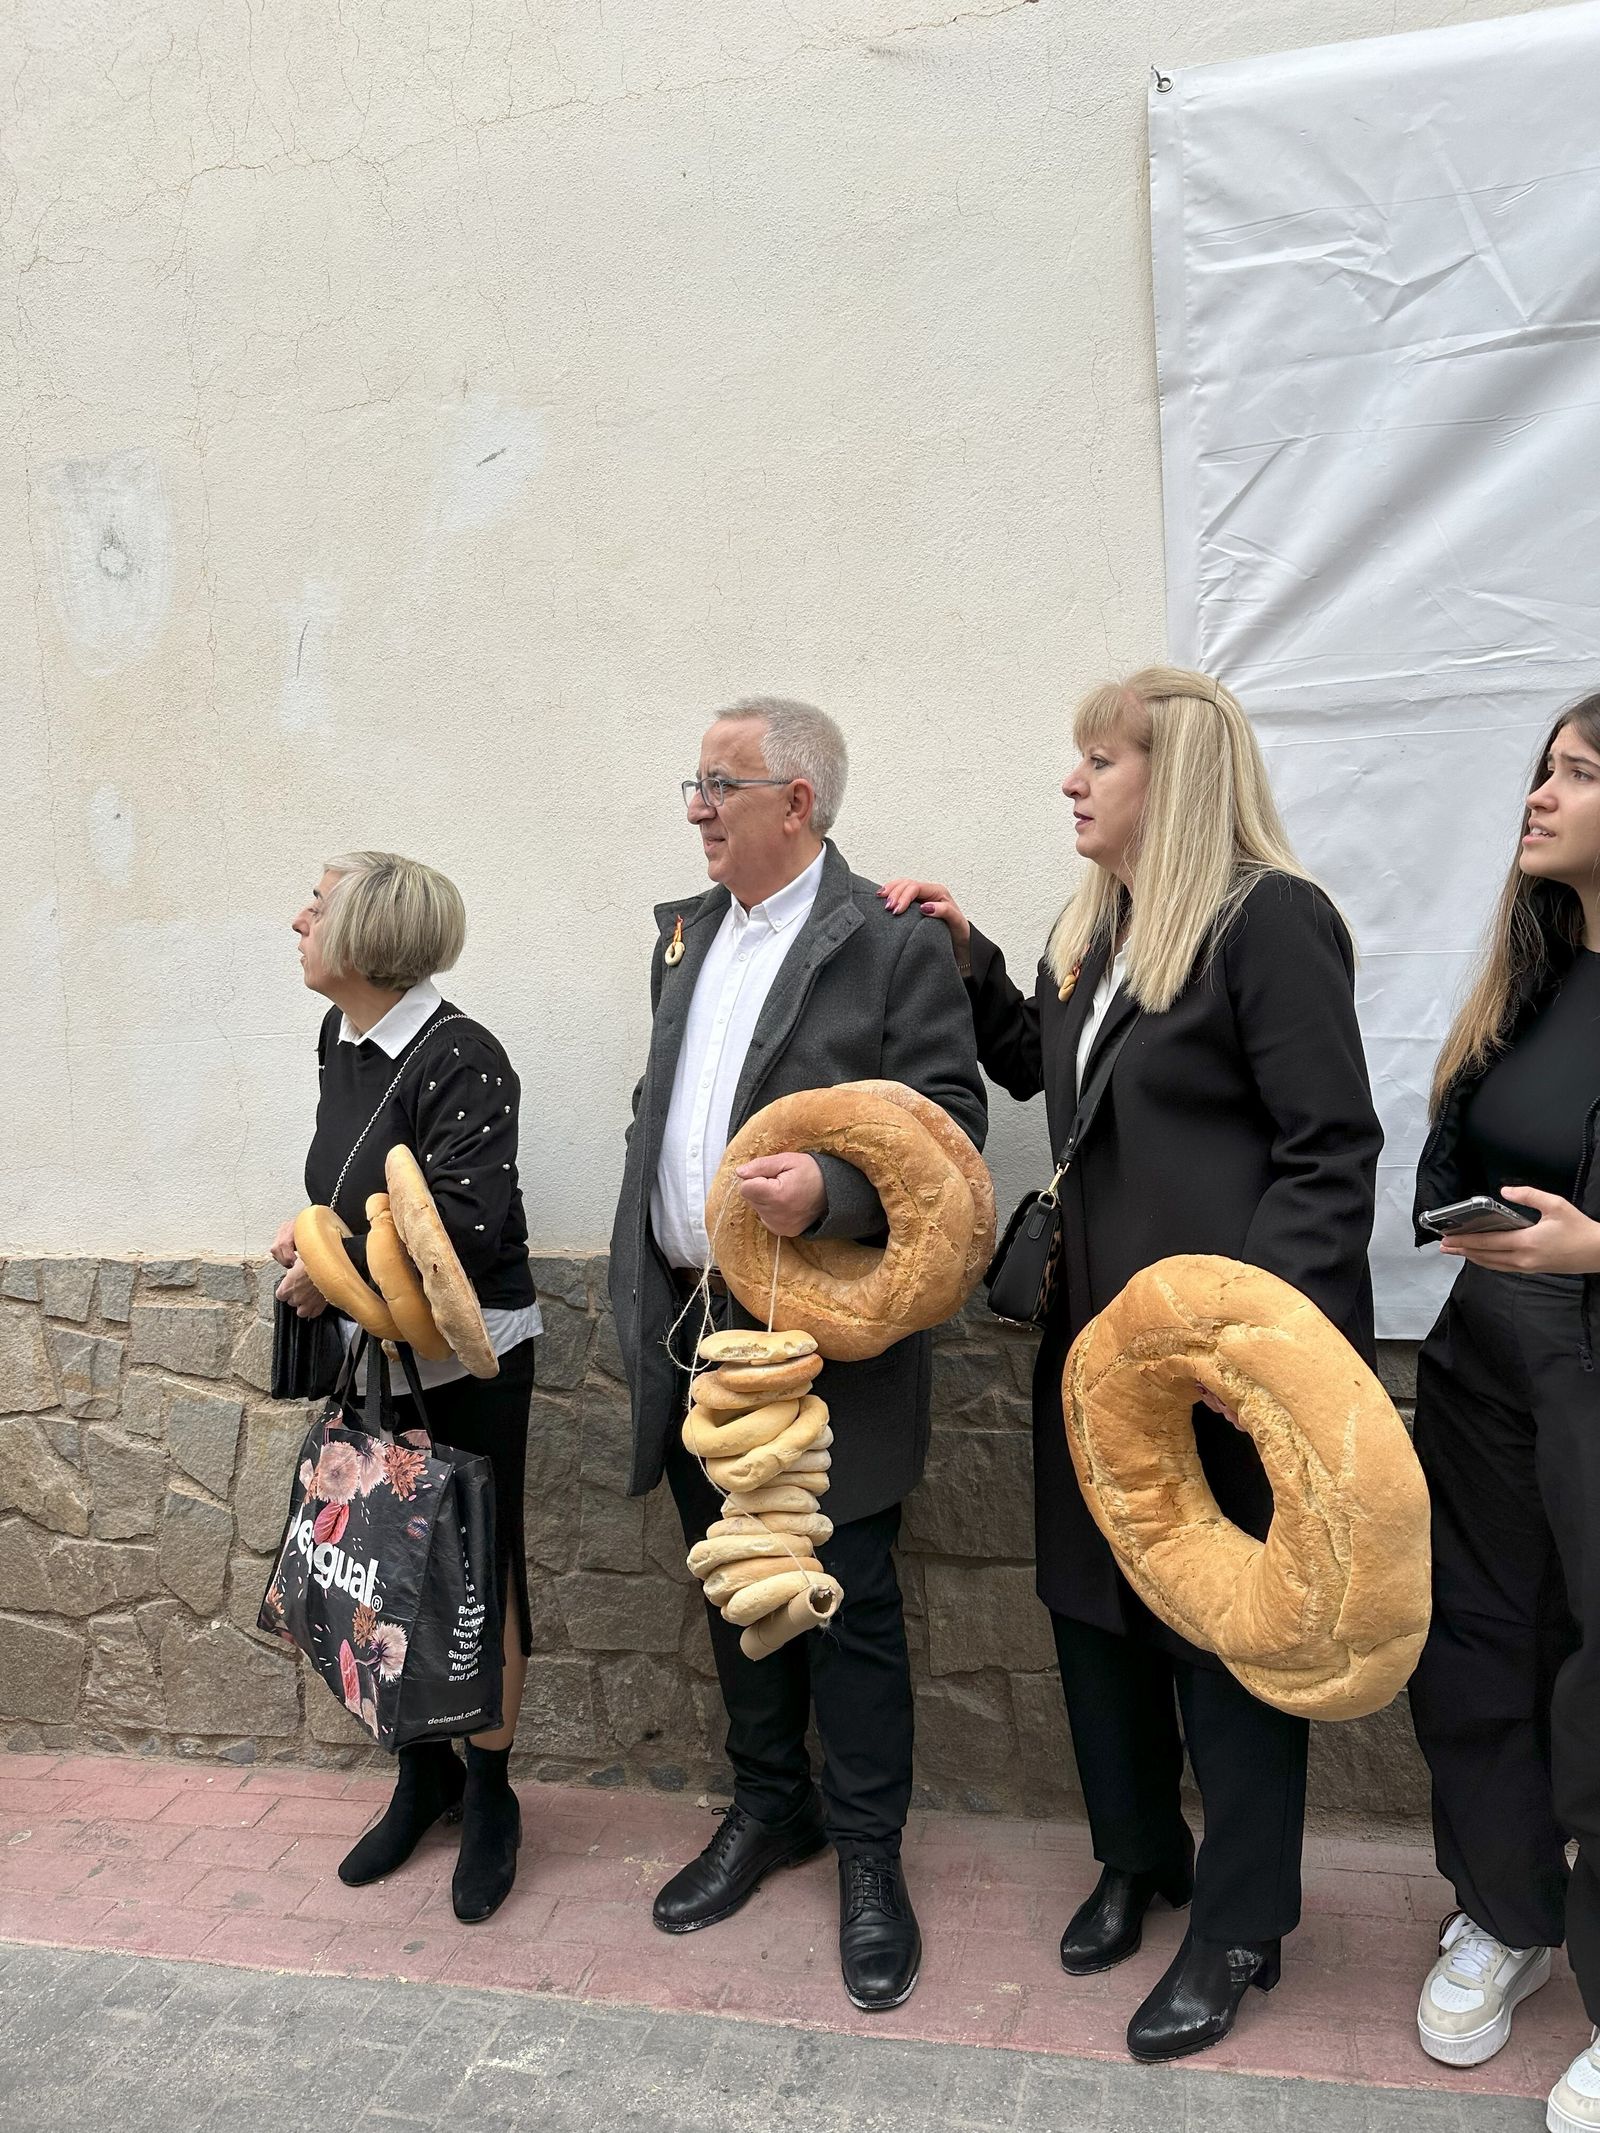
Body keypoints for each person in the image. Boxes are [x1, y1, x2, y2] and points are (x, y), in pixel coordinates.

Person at [883, 665, 1381, 2062]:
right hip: (1093, 1362)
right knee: (1095, 1620)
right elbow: (1048, 1073)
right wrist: (973, 955)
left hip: (1214, 1370)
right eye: (1077, 758)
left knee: (1223, 1647)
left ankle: (1238, 1922)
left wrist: (1260, 1346)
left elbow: (1329, 1150)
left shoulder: (1271, 921)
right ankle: (1139, 1857)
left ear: (1183, 777)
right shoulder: (1098, 935)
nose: (1073, 780)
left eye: (1102, 758)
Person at [610, 696, 987, 2012]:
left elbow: (945, 1132)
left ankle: (871, 1856)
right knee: (735, 1583)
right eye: (694, 783)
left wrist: (828, 1190)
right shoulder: (680, 933)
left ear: (798, 804)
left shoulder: (888, 946)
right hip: (694, 1320)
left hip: (824, 1334)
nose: (698, 806)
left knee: (853, 1606)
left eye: (722, 783)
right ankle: (771, 1810)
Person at [271, 849, 541, 1924]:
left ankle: (491, 1793)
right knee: (384, 1572)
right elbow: (345, 1196)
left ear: (372, 935)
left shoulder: (460, 1056)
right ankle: (419, 1775)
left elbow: (460, 1236)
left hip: (465, 1364)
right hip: (371, 1355)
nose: (298, 919)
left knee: (476, 1572)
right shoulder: (342, 1043)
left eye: (318, 906)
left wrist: (327, 1267)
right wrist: (313, 1261)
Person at [1408, 695, 1600, 2133]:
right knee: (1478, 1640)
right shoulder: (1527, 974)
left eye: (1579, 775)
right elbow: (1450, 1142)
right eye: (1545, 770)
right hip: (1486, 1371)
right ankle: (1506, 1911)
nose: (1541, 796)